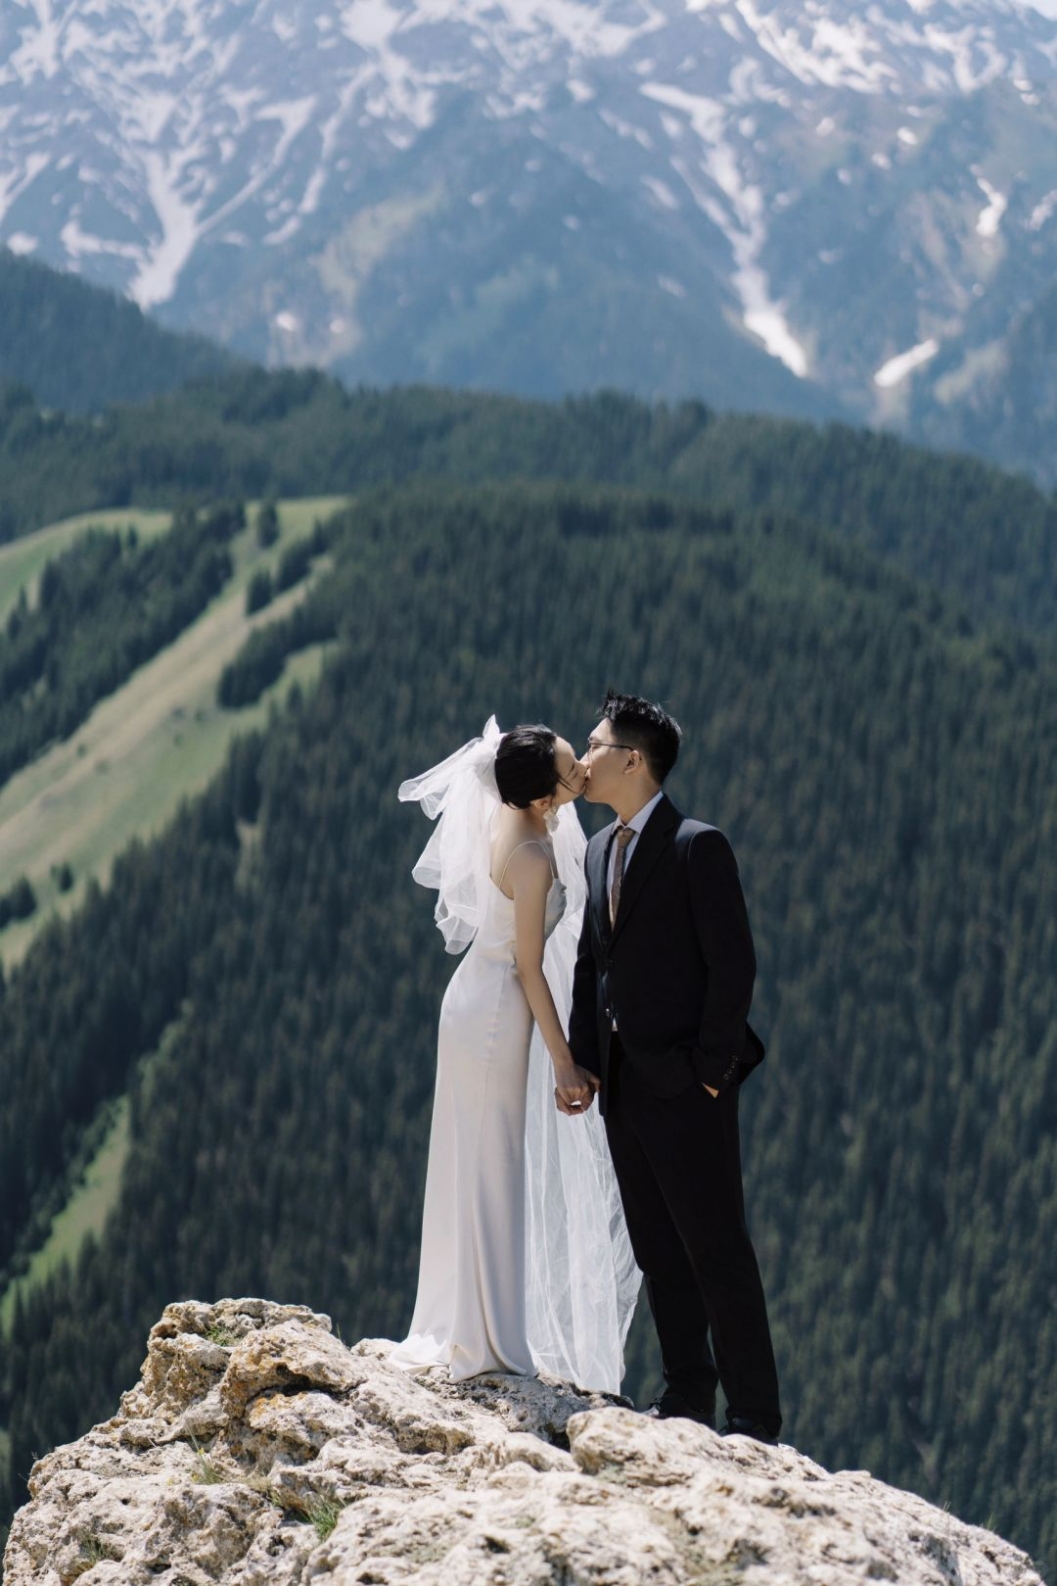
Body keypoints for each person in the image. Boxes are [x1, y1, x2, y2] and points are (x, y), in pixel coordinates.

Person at [390, 717, 639, 1390]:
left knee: (474, 1159)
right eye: (570, 769)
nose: (581, 772)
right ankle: (487, 1336)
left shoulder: (518, 815)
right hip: (496, 1012)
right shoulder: (532, 855)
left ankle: (468, 1316)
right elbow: (529, 968)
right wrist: (564, 1061)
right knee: (493, 1161)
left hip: (475, 998)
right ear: (540, 797)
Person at [569, 692, 782, 1441]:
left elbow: (734, 966)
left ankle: (754, 1417)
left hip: (690, 1087)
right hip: (623, 1086)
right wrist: (584, 1062)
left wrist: (709, 1072)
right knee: (658, 1249)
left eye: (594, 745)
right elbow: (592, 964)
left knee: (717, 1249)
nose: (582, 758)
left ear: (632, 760)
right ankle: (687, 1395)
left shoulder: (698, 846)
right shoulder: (598, 849)